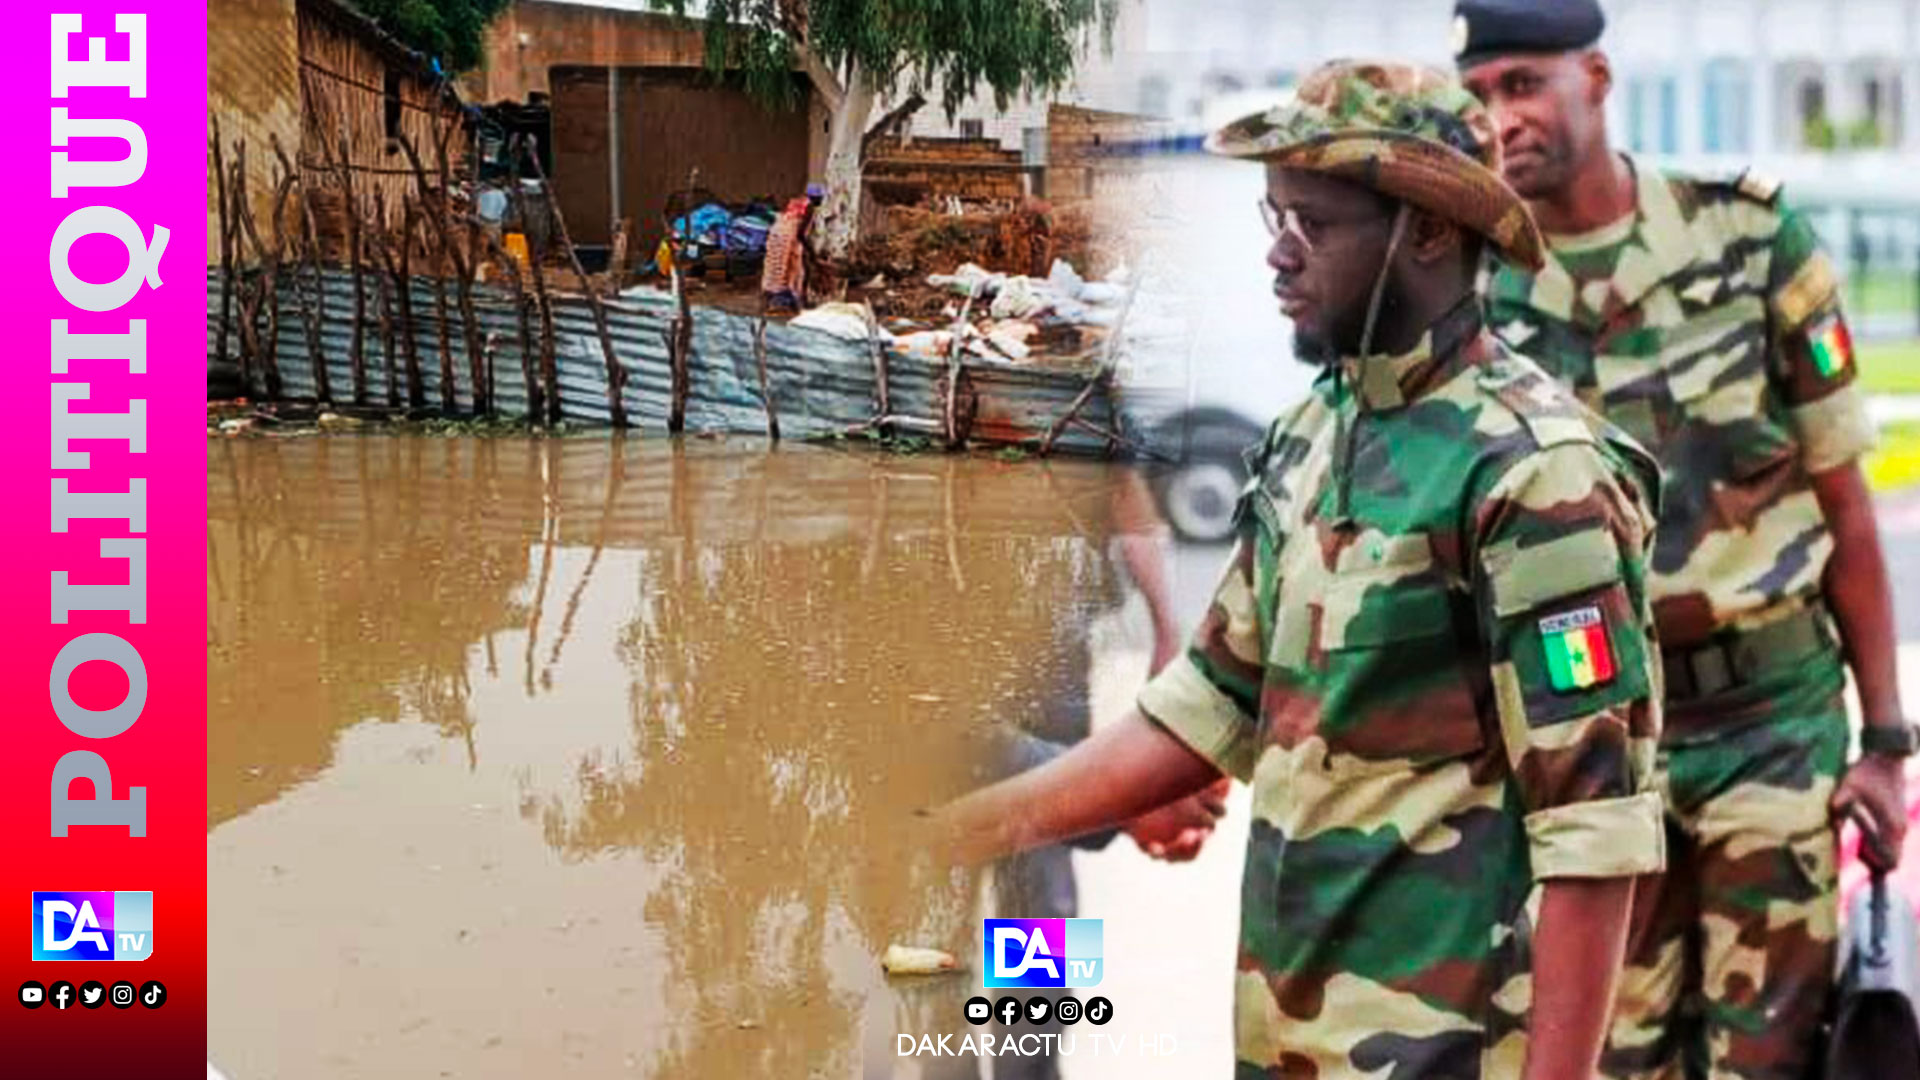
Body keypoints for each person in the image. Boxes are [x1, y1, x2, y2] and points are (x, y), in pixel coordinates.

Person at [929, 60, 1669, 1080]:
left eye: (1313, 225)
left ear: (1430, 230)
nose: (1278, 256)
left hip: (1448, 1053)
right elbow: (1211, 704)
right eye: (1273, 218)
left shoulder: (1537, 477)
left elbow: (1594, 833)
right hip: (1287, 1043)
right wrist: (961, 827)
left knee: (1036, 958)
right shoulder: (1312, 437)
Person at [1453, 3, 1914, 1076]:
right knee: (1613, 1054)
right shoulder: (1474, 289)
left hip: (1775, 728)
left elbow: (1846, 504)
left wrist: (1886, 747)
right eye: (1478, 96)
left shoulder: (1748, 241)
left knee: (1775, 1056)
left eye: (1522, 83)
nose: (1498, 118)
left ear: (1596, 78)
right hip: (1594, 752)